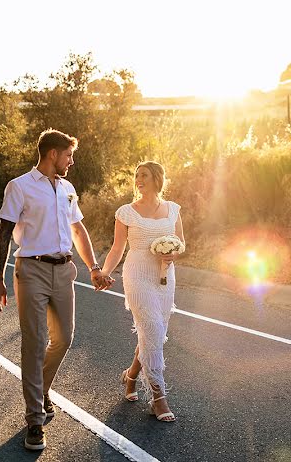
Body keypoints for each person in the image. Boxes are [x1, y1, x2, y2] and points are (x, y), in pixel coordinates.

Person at [0, 128, 114, 451]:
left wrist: (94, 268)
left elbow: (77, 228)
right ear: (53, 154)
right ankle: (34, 419)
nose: (71, 161)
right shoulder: (20, 187)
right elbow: (3, 234)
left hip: (64, 270)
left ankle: (41, 389)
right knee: (35, 342)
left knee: (65, 338)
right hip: (31, 270)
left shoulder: (68, 188)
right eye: (68, 155)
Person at [101, 161, 184, 422]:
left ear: (157, 178)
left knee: (153, 334)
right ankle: (159, 398)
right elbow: (117, 249)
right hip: (137, 275)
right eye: (136, 175)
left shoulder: (173, 210)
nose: (138, 179)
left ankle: (130, 376)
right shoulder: (126, 212)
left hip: (164, 277)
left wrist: (173, 255)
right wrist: (104, 272)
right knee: (153, 331)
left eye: (144, 175)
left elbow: (181, 244)